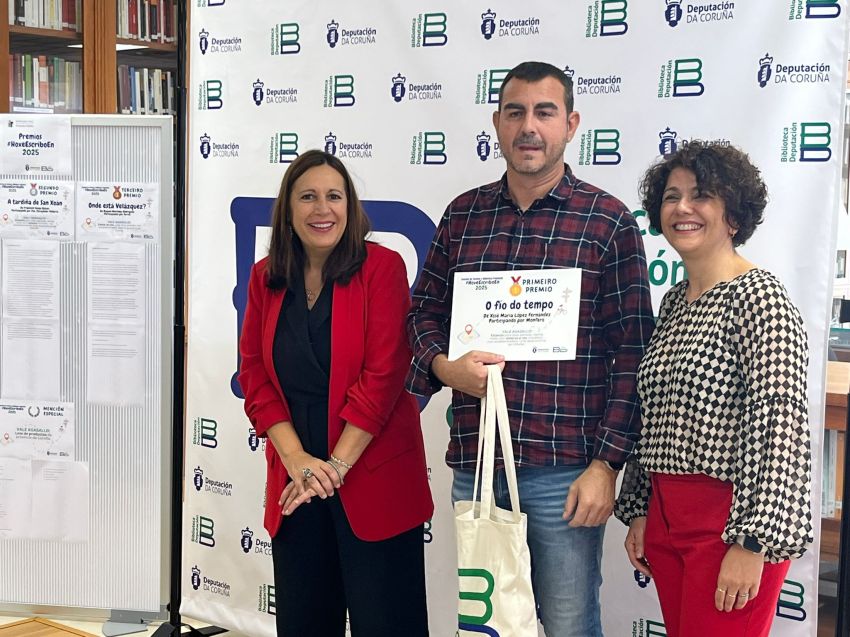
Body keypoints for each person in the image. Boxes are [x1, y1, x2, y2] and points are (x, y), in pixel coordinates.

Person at [406, 61, 654, 636]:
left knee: (568, 623)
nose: (529, 127)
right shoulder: (463, 215)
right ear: (496, 123)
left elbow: (631, 354)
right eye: (515, 112)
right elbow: (421, 312)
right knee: (489, 624)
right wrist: (444, 367)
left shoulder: (608, 221)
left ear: (571, 124)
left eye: (544, 112)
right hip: (479, 461)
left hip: (567, 472)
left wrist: (605, 465)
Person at [615, 141, 812, 636]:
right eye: (671, 196)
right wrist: (641, 509)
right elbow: (654, 415)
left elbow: (779, 427)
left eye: (701, 195)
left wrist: (753, 543)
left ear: (733, 216)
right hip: (666, 516)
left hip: (730, 524)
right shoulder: (675, 302)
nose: (682, 207)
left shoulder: (760, 298)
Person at [238, 149, 433, 637]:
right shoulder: (267, 277)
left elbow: (384, 376)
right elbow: (254, 373)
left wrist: (335, 468)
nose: (321, 209)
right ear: (288, 209)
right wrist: (299, 460)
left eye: (333, 196)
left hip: (371, 478)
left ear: (350, 206)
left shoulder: (382, 268)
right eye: (307, 196)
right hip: (297, 483)